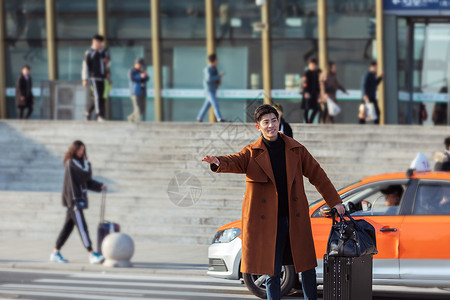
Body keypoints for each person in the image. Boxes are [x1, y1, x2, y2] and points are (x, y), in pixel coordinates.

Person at [202, 104, 345, 300]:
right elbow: (234, 161)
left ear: (279, 122)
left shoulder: (296, 149)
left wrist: (335, 201)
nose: (271, 126)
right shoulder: (251, 152)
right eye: (266, 122)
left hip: (295, 219)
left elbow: (318, 175)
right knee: (271, 271)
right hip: (268, 223)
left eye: (274, 120)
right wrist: (217, 162)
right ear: (258, 127)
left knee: (307, 268)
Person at [50, 141, 107, 264]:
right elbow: (85, 175)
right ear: (74, 150)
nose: (81, 152)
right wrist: (87, 164)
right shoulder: (71, 164)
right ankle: (91, 253)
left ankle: (55, 252)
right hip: (74, 201)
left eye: (83, 150)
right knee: (83, 228)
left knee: (67, 228)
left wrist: (100, 186)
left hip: (77, 200)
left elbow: (86, 181)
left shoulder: (81, 164)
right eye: (79, 150)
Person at [82, 34, 110, 122]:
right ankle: (99, 115)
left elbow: (109, 64)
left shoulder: (104, 52)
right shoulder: (90, 53)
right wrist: (84, 78)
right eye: (98, 42)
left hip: (103, 78)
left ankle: (88, 112)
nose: (100, 44)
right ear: (94, 42)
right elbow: (85, 66)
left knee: (102, 97)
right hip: (94, 78)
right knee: (97, 96)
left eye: (101, 42)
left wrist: (107, 63)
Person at [197, 53, 226, 122]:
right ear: (214, 60)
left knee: (206, 105)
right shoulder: (208, 69)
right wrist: (219, 76)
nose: (217, 61)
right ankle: (219, 118)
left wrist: (218, 80)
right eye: (216, 60)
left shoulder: (214, 68)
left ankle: (199, 117)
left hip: (212, 89)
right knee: (215, 104)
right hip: (209, 90)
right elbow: (209, 78)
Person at [128, 58, 149, 122]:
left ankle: (131, 117)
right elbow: (132, 78)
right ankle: (136, 122)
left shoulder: (142, 70)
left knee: (142, 109)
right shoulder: (132, 70)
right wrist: (140, 76)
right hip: (135, 92)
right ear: (135, 64)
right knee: (137, 108)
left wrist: (145, 76)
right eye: (139, 65)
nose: (140, 66)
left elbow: (147, 79)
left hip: (142, 92)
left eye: (141, 65)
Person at [301, 58, 320, 124]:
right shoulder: (307, 73)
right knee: (307, 108)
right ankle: (307, 121)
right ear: (309, 65)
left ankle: (310, 121)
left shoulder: (317, 73)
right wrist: (306, 92)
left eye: (314, 65)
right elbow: (305, 83)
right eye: (311, 65)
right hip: (307, 93)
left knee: (316, 108)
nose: (313, 66)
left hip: (314, 94)